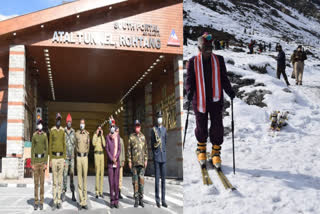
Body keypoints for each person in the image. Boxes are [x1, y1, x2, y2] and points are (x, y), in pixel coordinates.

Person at [185, 32, 235, 169]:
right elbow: (189, 80)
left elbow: (224, 78)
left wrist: (229, 91)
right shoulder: (193, 62)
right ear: (199, 49)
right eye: (205, 49)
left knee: (217, 126)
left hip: (215, 99)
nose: (208, 52)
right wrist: (189, 90)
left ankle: (216, 152)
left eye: (210, 49)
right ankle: (201, 150)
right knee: (201, 125)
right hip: (200, 100)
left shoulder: (219, 60)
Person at [127, 120, 148, 208]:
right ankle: (136, 199)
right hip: (135, 164)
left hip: (142, 163)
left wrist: (146, 160)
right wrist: (129, 161)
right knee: (135, 182)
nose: (137, 127)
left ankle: (141, 199)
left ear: (140, 127)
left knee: (141, 182)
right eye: (136, 126)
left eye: (138, 126)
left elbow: (146, 150)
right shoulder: (131, 137)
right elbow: (129, 150)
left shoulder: (143, 137)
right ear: (134, 127)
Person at [150, 111, 168, 208]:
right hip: (157, 157)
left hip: (163, 157)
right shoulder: (153, 130)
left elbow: (165, 142)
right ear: (156, 119)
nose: (159, 119)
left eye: (161, 117)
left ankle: (163, 200)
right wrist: (155, 154)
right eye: (158, 117)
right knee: (157, 180)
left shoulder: (165, 130)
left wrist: (163, 152)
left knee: (163, 180)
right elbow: (152, 144)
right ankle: (157, 200)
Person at [49, 113, 66, 210]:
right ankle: (54, 200)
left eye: (60, 119)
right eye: (57, 119)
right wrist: (50, 159)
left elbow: (64, 144)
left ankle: (59, 200)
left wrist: (64, 158)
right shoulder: (52, 130)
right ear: (55, 120)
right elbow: (50, 144)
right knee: (54, 181)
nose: (58, 121)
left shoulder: (63, 131)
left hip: (61, 159)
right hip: (54, 158)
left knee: (60, 181)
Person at [31, 118, 48, 211]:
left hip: (42, 163)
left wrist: (45, 162)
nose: (40, 125)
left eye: (41, 123)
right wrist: (32, 163)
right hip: (36, 162)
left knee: (42, 184)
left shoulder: (45, 136)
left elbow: (47, 149)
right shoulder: (34, 136)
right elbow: (32, 149)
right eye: (39, 124)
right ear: (37, 125)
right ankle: (36, 202)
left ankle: (41, 202)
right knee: (35, 183)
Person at [75, 119, 90, 210]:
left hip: (85, 157)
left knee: (85, 180)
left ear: (85, 124)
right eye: (81, 123)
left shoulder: (87, 134)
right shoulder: (76, 134)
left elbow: (88, 146)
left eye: (83, 123)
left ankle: (85, 201)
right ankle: (81, 201)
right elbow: (75, 145)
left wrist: (86, 154)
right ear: (79, 124)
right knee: (79, 179)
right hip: (78, 157)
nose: (82, 125)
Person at [106, 123, 121, 209]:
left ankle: (116, 200)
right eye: (111, 127)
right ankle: (111, 200)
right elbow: (107, 150)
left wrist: (116, 157)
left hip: (117, 162)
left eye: (113, 127)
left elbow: (119, 149)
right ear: (109, 128)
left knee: (116, 183)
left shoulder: (118, 137)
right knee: (111, 182)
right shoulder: (107, 137)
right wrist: (112, 158)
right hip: (111, 163)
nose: (112, 128)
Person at [62, 113, 76, 202]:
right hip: (65, 157)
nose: (69, 123)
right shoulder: (63, 132)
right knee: (64, 175)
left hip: (72, 158)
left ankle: (73, 193)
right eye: (68, 122)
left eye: (70, 122)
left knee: (71, 175)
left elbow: (75, 143)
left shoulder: (73, 132)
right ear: (66, 122)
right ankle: (64, 192)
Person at [92, 125, 106, 199]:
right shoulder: (95, 135)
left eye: (101, 129)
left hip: (102, 154)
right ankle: (97, 191)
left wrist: (102, 135)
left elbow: (104, 144)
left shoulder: (101, 136)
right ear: (97, 129)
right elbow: (93, 143)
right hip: (96, 154)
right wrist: (96, 134)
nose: (100, 130)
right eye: (98, 129)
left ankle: (101, 191)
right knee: (97, 173)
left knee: (102, 173)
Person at [116, 127, 125, 200]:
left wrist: (123, 160)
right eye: (116, 131)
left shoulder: (121, 140)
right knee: (115, 178)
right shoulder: (113, 139)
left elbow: (123, 150)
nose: (117, 132)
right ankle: (114, 191)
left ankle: (119, 192)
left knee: (120, 178)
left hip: (120, 161)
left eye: (118, 131)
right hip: (114, 162)